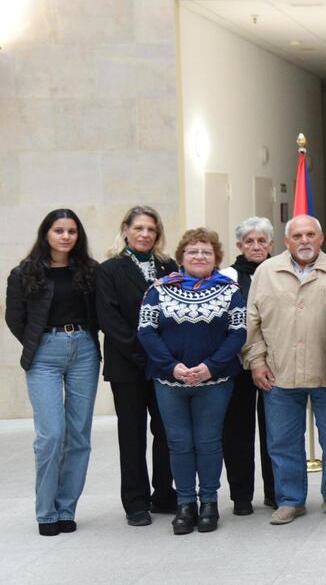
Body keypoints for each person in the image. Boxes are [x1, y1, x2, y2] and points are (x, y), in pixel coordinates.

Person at [243, 214, 326, 525]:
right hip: (279, 372)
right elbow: (252, 321)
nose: (304, 241)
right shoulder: (266, 272)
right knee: (282, 441)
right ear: (286, 241)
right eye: (297, 236)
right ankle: (290, 500)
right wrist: (256, 361)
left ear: (321, 239)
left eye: (310, 235)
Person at [137, 228, 247, 535]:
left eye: (206, 252)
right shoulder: (158, 289)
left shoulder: (229, 290)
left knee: (209, 442)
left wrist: (211, 367)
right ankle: (185, 504)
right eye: (193, 251)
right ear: (181, 257)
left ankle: (209, 502)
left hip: (215, 381)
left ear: (216, 258)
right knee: (179, 443)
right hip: (169, 382)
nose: (199, 256)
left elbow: (238, 332)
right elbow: (146, 331)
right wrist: (172, 367)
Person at [5, 209, 101, 536]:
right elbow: (14, 318)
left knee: (78, 435)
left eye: (71, 231)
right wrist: (38, 341)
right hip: (44, 353)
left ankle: (66, 509)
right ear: (46, 233)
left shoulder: (89, 271)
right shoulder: (24, 273)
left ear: (78, 236)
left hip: (84, 351)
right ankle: (46, 512)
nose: (65, 236)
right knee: (51, 435)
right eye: (59, 230)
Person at [95, 206, 177, 526]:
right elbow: (108, 318)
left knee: (166, 430)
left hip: (164, 364)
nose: (145, 234)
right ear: (126, 229)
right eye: (139, 228)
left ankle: (163, 493)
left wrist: (163, 356)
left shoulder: (168, 266)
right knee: (132, 434)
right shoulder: (110, 269)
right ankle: (135, 500)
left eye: (151, 230)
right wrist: (142, 352)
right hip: (127, 364)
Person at [217, 216, 276, 514]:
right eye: (249, 241)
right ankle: (241, 495)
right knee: (237, 430)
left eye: (262, 241)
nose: (256, 246)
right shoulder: (225, 276)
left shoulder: (279, 272)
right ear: (239, 245)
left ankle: (276, 492)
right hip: (235, 365)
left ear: (271, 245)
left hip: (272, 363)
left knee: (274, 431)